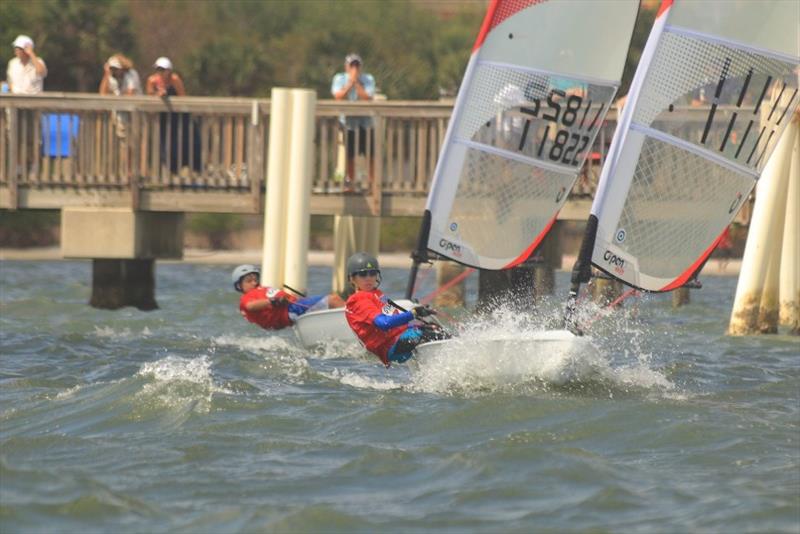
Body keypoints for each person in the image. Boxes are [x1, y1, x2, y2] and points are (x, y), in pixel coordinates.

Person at [344, 252, 449, 367]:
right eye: (363, 274)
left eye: (372, 273)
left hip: (399, 338)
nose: (369, 278)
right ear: (352, 279)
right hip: (390, 349)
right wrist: (413, 313)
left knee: (433, 328)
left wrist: (418, 317)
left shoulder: (377, 294)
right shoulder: (359, 300)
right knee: (422, 333)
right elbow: (384, 323)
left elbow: (394, 319)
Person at [232, 265, 345, 331]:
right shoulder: (246, 299)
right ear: (239, 286)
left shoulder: (260, 290)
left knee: (331, 305)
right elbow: (250, 306)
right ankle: (356, 323)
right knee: (333, 300)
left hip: (295, 307)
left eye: (255, 279)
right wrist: (272, 301)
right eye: (249, 280)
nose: (254, 282)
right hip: (291, 311)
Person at [331, 53, 376, 189]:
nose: (354, 68)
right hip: (348, 124)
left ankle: (373, 184)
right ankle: (350, 184)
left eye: (357, 65)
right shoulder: (339, 78)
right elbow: (338, 96)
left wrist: (356, 83)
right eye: (352, 65)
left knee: (370, 154)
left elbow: (367, 97)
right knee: (350, 155)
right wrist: (350, 82)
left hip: (366, 123)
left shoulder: (368, 79)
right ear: (346, 67)